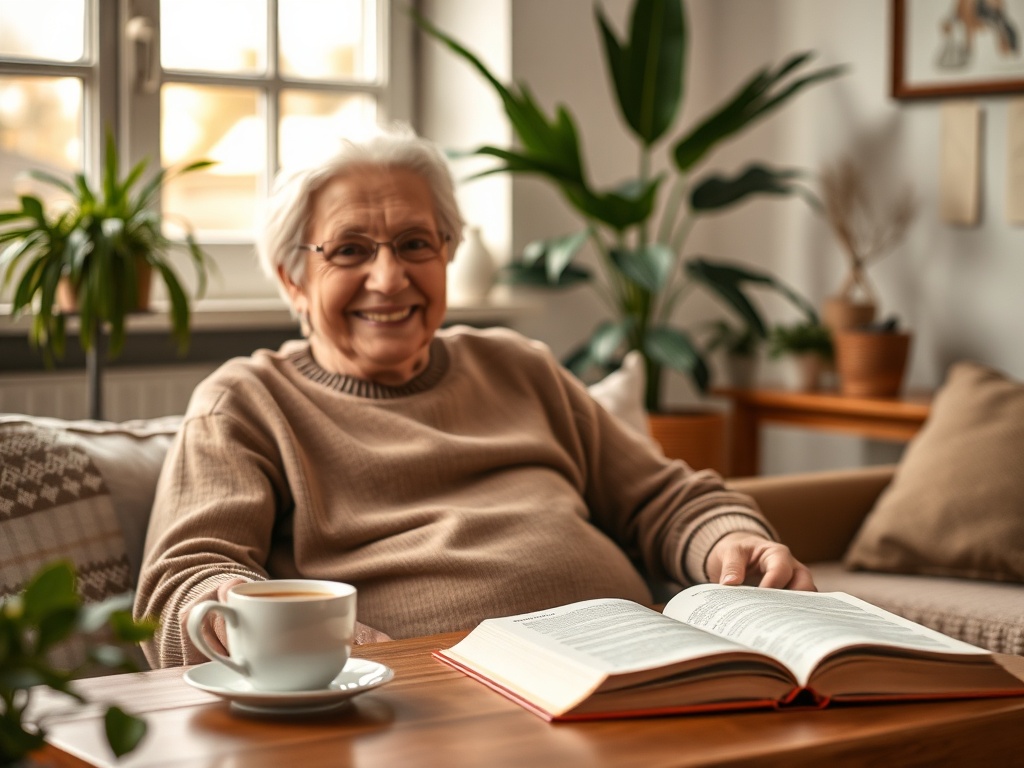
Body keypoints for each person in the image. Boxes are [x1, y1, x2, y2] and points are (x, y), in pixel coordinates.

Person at [134, 124, 815, 669]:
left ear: (448, 253)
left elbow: (666, 499)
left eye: (414, 244)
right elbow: (180, 588)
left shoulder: (519, 367)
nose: (388, 277)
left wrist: (734, 539)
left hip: (633, 670)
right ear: (292, 279)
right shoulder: (248, 402)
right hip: (427, 697)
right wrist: (234, 609)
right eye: (349, 251)